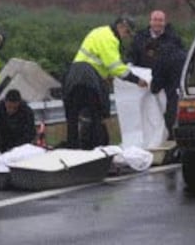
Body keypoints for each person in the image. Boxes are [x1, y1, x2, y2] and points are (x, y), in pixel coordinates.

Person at [63, 16, 149, 149]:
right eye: (127, 32)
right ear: (121, 26)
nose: (126, 37)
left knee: (73, 118)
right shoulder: (110, 39)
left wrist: (106, 75)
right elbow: (115, 67)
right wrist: (137, 80)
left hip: (72, 75)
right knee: (96, 115)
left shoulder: (99, 31)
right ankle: (96, 150)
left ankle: (73, 150)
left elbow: (100, 60)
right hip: (88, 77)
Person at [128, 10, 185, 139]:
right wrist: (130, 65)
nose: (158, 23)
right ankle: (149, 137)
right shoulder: (140, 37)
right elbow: (132, 55)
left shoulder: (173, 38)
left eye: (160, 20)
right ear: (150, 21)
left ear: (165, 22)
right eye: (155, 20)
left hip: (166, 83)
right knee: (147, 113)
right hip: (144, 82)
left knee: (168, 111)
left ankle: (168, 137)